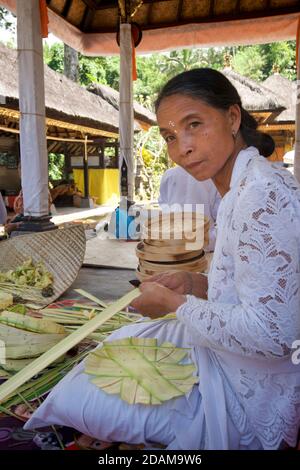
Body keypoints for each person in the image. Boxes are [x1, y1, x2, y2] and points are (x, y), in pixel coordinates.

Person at [25, 69, 300, 450]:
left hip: (252, 387)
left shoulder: (261, 197)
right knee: (123, 338)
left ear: (233, 118)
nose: (181, 147)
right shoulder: (241, 187)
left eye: (194, 125)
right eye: (170, 136)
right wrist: (192, 285)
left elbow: (275, 335)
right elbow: (251, 289)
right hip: (233, 355)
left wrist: (177, 304)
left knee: (87, 395)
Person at [159, 166, 221, 251]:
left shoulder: (170, 174)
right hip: (204, 243)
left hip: (175, 243)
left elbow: (163, 203)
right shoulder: (211, 177)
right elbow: (219, 213)